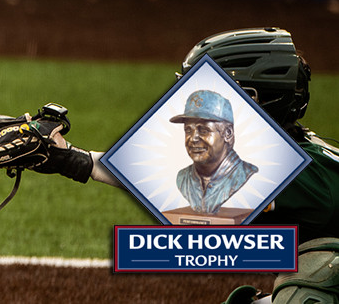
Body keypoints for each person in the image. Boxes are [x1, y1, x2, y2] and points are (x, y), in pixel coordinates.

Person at [31, 27, 339, 303]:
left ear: (252, 101)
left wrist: (74, 159)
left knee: (311, 286)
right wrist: (73, 158)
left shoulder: (299, 175)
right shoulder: (289, 157)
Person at [170, 89, 258, 214]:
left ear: (228, 134)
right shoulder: (183, 178)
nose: (193, 138)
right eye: (188, 130)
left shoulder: (245, 173)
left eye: (204, 130)